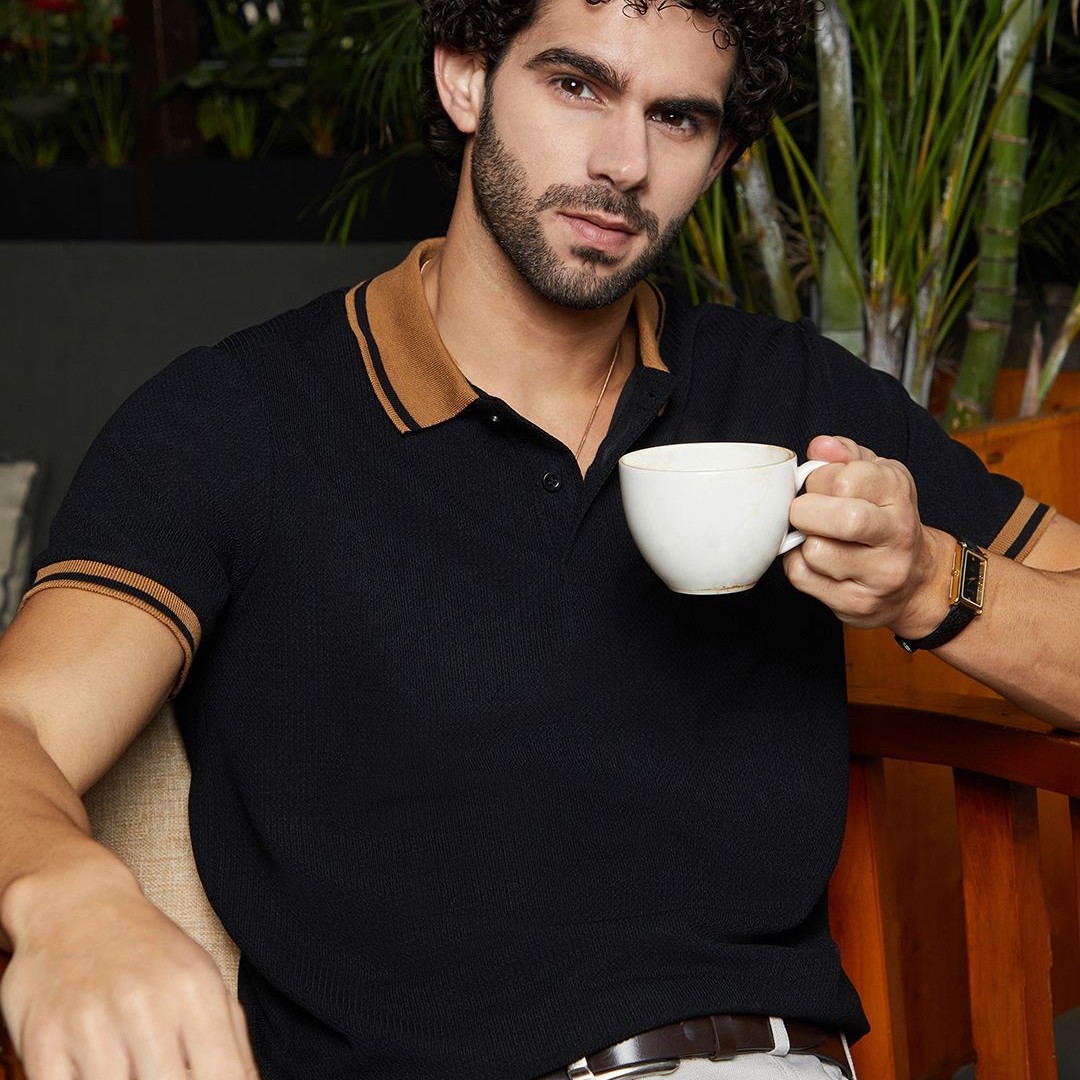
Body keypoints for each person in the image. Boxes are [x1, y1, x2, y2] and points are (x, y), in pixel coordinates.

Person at [1, 1, 1078, 1078]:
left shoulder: (791, 397)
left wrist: (930, 581)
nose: (624, 163)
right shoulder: (237, 420)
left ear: (721, 155)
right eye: (577, 86)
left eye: (679, 118)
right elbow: (20, 724)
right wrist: (70, 901)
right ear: (465, 78)